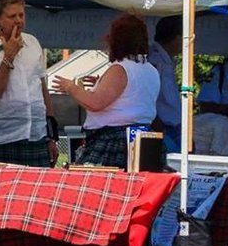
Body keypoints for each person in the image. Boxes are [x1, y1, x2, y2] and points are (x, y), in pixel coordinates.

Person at [56, 14, 164, 171]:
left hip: (115, 140)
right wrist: (100, 84)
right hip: (144, 138)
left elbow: (95, 103)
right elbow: (130, 95)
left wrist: (71, 87)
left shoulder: (121, 68)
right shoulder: (150, 70)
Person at [0, 0, 55, 166]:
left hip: (35, 136)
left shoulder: (32, 43)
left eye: (21, 15)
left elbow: (42, 89)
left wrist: (51, 135)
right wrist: (8, 56)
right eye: (12, 16)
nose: (18, 21)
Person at [148, 15, 185, 139]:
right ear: (177, 38)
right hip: (163, 127)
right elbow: (148, 96)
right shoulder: (154, 60)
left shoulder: (168, 60)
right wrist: (157, 125)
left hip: (173, 126)